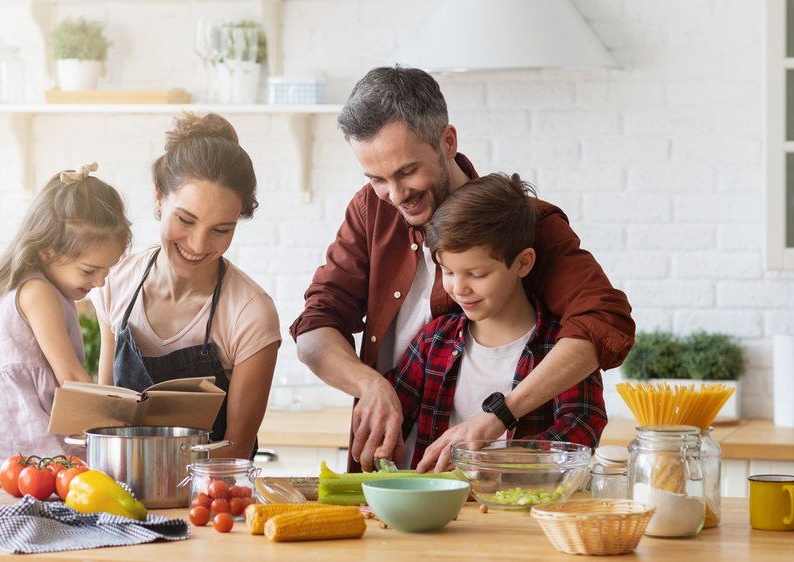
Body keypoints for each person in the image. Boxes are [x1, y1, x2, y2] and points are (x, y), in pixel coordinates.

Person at [289, 66, 634, 472]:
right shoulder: (371, 209)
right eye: (376, 178)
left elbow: (604, 320)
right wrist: (370, 385)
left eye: (406, 172)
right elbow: (314, 327)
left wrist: (498, 419)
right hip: (401, 476)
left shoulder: (523, 223)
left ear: (447, 141)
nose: (395, 195)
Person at [91, 112, 281, 461]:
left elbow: (236, 449)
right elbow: (107, 418)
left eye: (221, 230)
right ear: (160, 199)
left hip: (209, 498)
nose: (197, 243)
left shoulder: (250, 312)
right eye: (186, 220)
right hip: (121, 490)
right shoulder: (114, 283)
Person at [388, 172, 608, 473]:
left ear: (523, 263)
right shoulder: (433, 340)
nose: (459, 288)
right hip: (436, 510)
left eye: (477, 275)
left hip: (522, 511)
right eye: (448, 272)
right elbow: (393, 415)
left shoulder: (562, 348)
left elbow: (581, 429)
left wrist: (492, 461)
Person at [0, 162, 132, 484]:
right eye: (90, 270)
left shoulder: (31, 286)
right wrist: (118, 422)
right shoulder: (38, 292)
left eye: (106, 270)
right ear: (48, 253)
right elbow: (70, 377)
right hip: (23, 453)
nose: (100, 282)